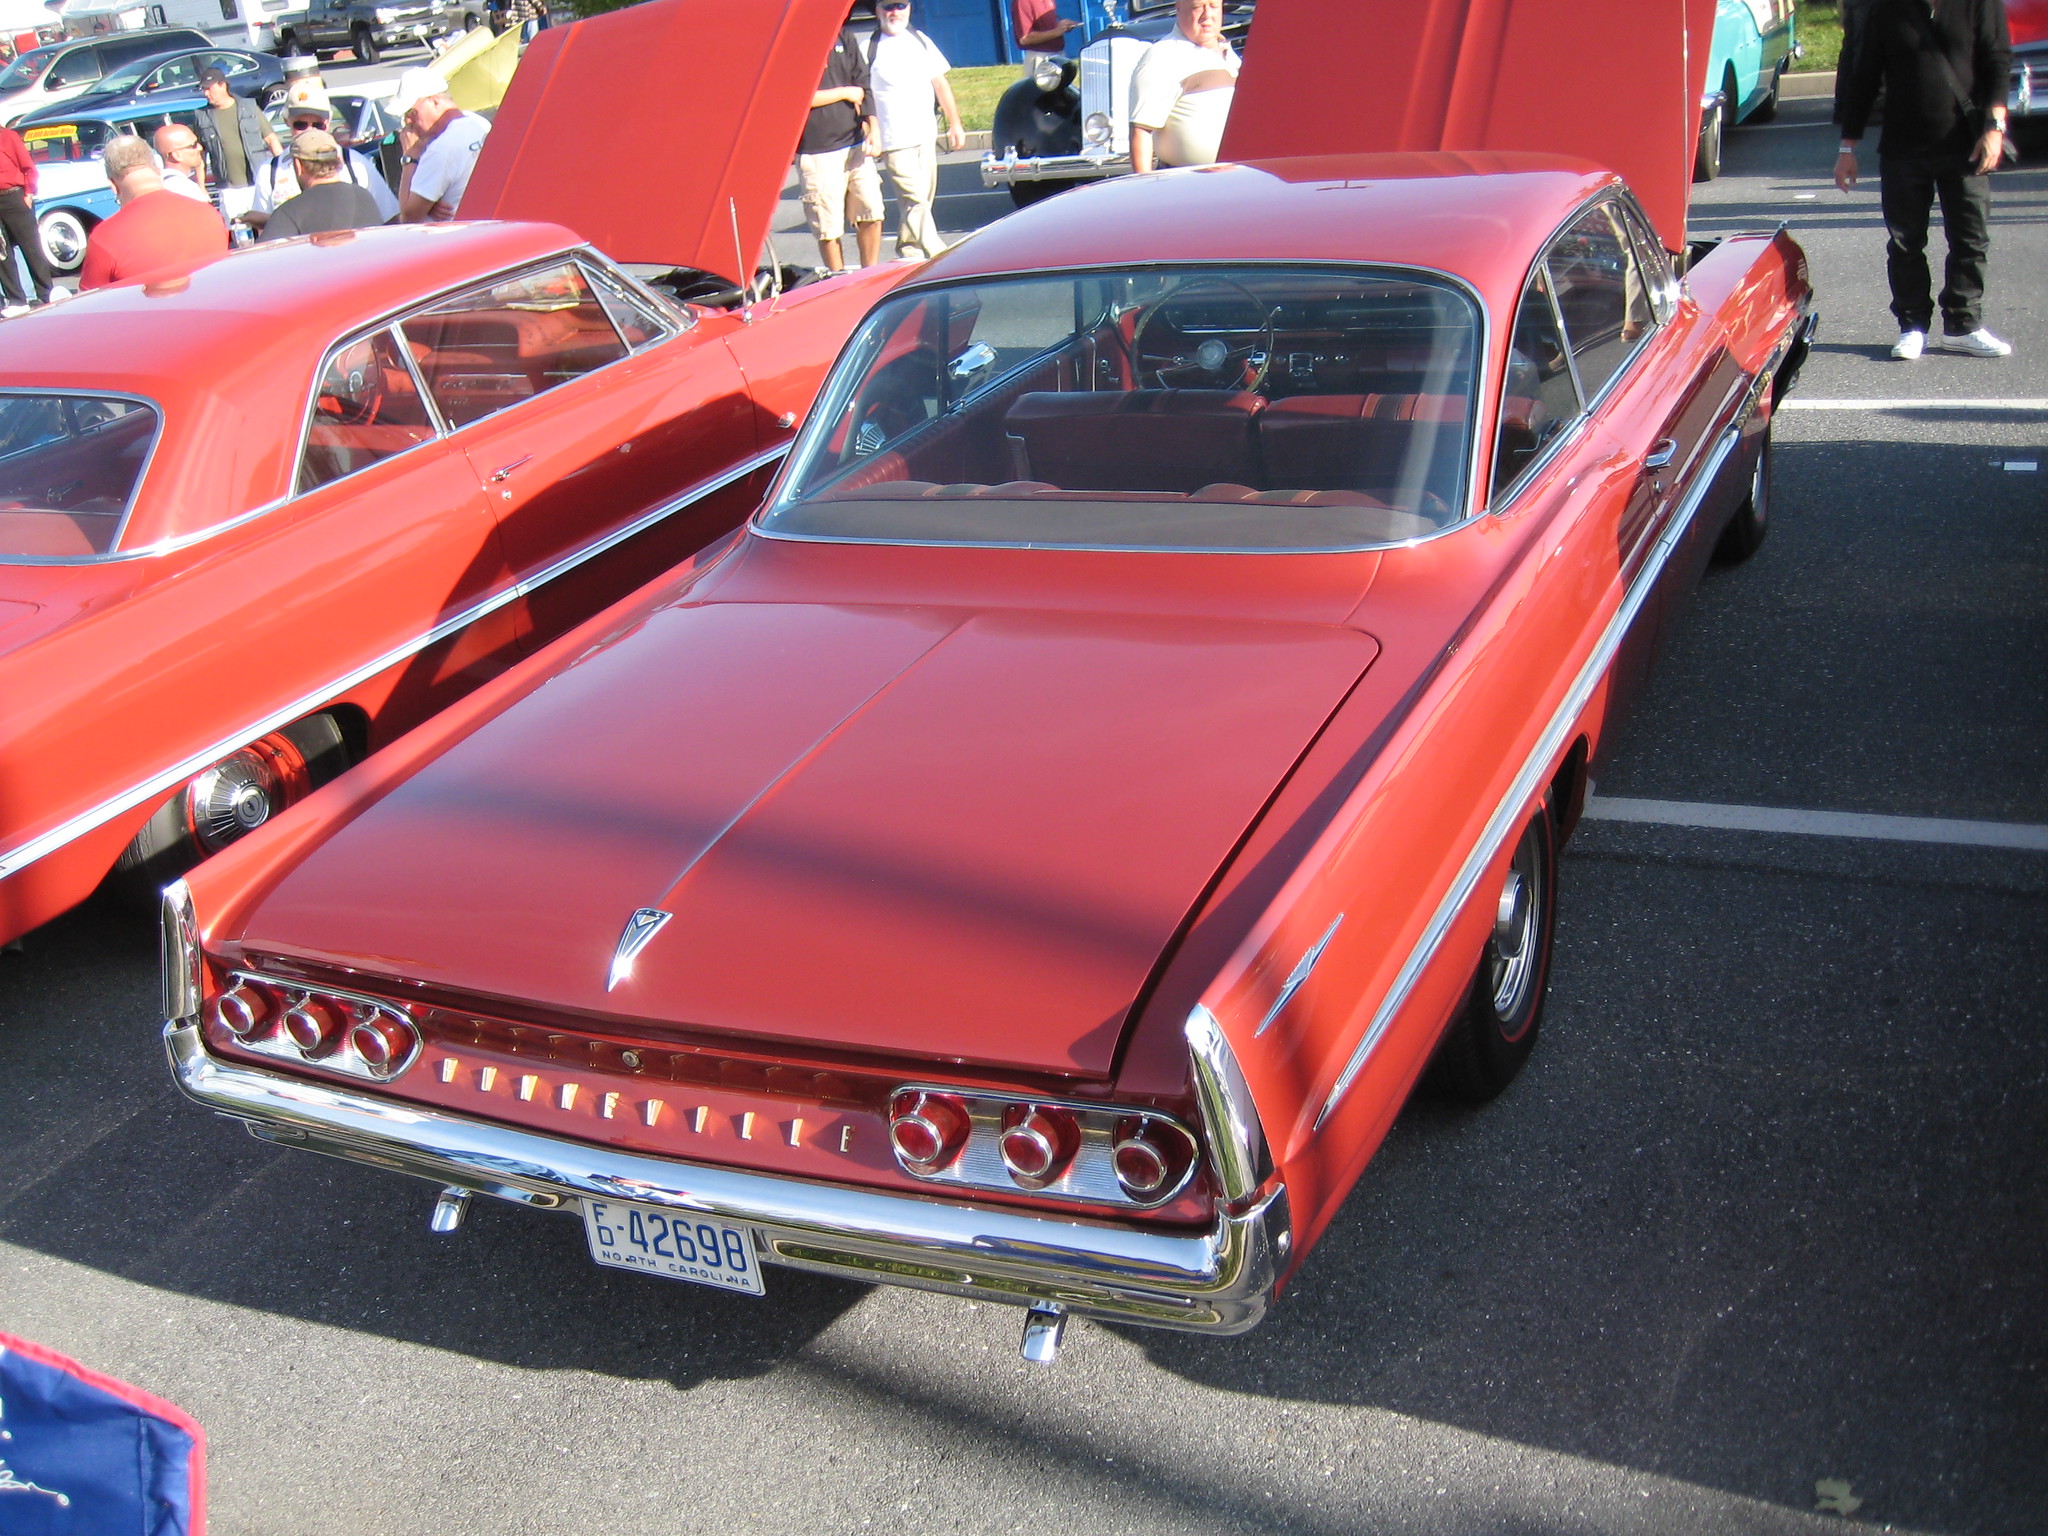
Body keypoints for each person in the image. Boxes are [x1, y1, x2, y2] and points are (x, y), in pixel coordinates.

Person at [1835, 0, 2014, 359]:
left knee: (1970, 238)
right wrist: (1847, 148)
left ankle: (1963, 325)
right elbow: (1865, 73)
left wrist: (1994, 128)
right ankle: (1912, 326)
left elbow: (1996, 59)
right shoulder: (1888, 8)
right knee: (1905, 242)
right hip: (1904, 146)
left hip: (1965, 143)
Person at [866, 0, 964, 260]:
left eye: (900, 5)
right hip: (893, 140)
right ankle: (940, 255)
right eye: (888, 6)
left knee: (921, 200)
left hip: (924, 134)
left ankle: (909, 251)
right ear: (877, 11)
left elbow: (940, 84)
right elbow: (863, 98)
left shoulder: (919, 40)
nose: (894, 12)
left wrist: (955, 123)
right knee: (915, 200)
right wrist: (871, 132)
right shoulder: (869, 48)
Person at [78, 134, 228, 291]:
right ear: (157, 170)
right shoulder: (208, 214)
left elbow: (89, 301)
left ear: (113, 186)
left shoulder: (105, 236)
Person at [798, 19, 883, 271]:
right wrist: (844, 92)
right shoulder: (798, 43)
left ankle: (870, 275)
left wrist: (874, 129)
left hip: (855, 142)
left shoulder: (843, 36)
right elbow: (797, 96)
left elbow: (864, 84)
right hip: (817, 148)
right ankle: (837, 282)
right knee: (828, 228)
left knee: (872, 212)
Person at [250, 101, 399, 232]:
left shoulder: (355, 163)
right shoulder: (270, 171)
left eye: (317, 125)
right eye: (300, 125)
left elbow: (392, 218)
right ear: (287, 121)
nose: (310, 131)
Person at [1128, 0, 1238, 173]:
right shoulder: (1163, 56)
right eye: (1197, 7)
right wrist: (1145, 190)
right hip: (1186, 184)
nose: (1207, 15)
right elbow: (1141, 131)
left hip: (1237, 179)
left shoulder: (1231, 56)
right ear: (1179, 9)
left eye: (1214, 6)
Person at [393, 67, 490, 222]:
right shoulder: (479, 123)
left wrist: (409, 157)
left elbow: (408, 217)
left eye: (412, 113)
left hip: (453, 238)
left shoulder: (441, 149)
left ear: (434, 101)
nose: (408, 122)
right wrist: (428, 203)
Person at [259, 129, 387, 240]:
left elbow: (261, 262)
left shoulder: (289, 212)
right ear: (340, 161)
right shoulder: (365, 198)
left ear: (298, 166)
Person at [196, 67, 281, 224]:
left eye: (209, 89)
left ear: (223, 85)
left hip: (257, 182)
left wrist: (281, 172)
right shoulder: (202, 117)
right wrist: (201, 187)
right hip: (229, 188)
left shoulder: (248, 108)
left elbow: (271, 140)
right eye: (204, 90)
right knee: (238, 229)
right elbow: (200, 156)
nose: (206, 93)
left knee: (266, 225)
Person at [0, 118, 59, 314]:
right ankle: (17, 300)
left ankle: (46, 293)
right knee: (2, 253)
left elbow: (28, 167)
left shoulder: (8, 137)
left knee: (31, 247)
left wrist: (28, 193)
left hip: (12, 197)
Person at [152, 124, 212, 204]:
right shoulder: (185, 189)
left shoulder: (159, 185)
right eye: (193, 145)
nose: (200, 147)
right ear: (176, 155)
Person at [1011, 0, 1079, 69]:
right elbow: (1025, 38)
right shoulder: (1022, 2)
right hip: (1040, 58)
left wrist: (1064, 27)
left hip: (1059, 55)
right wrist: (1056, 31)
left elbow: (1047, 26)